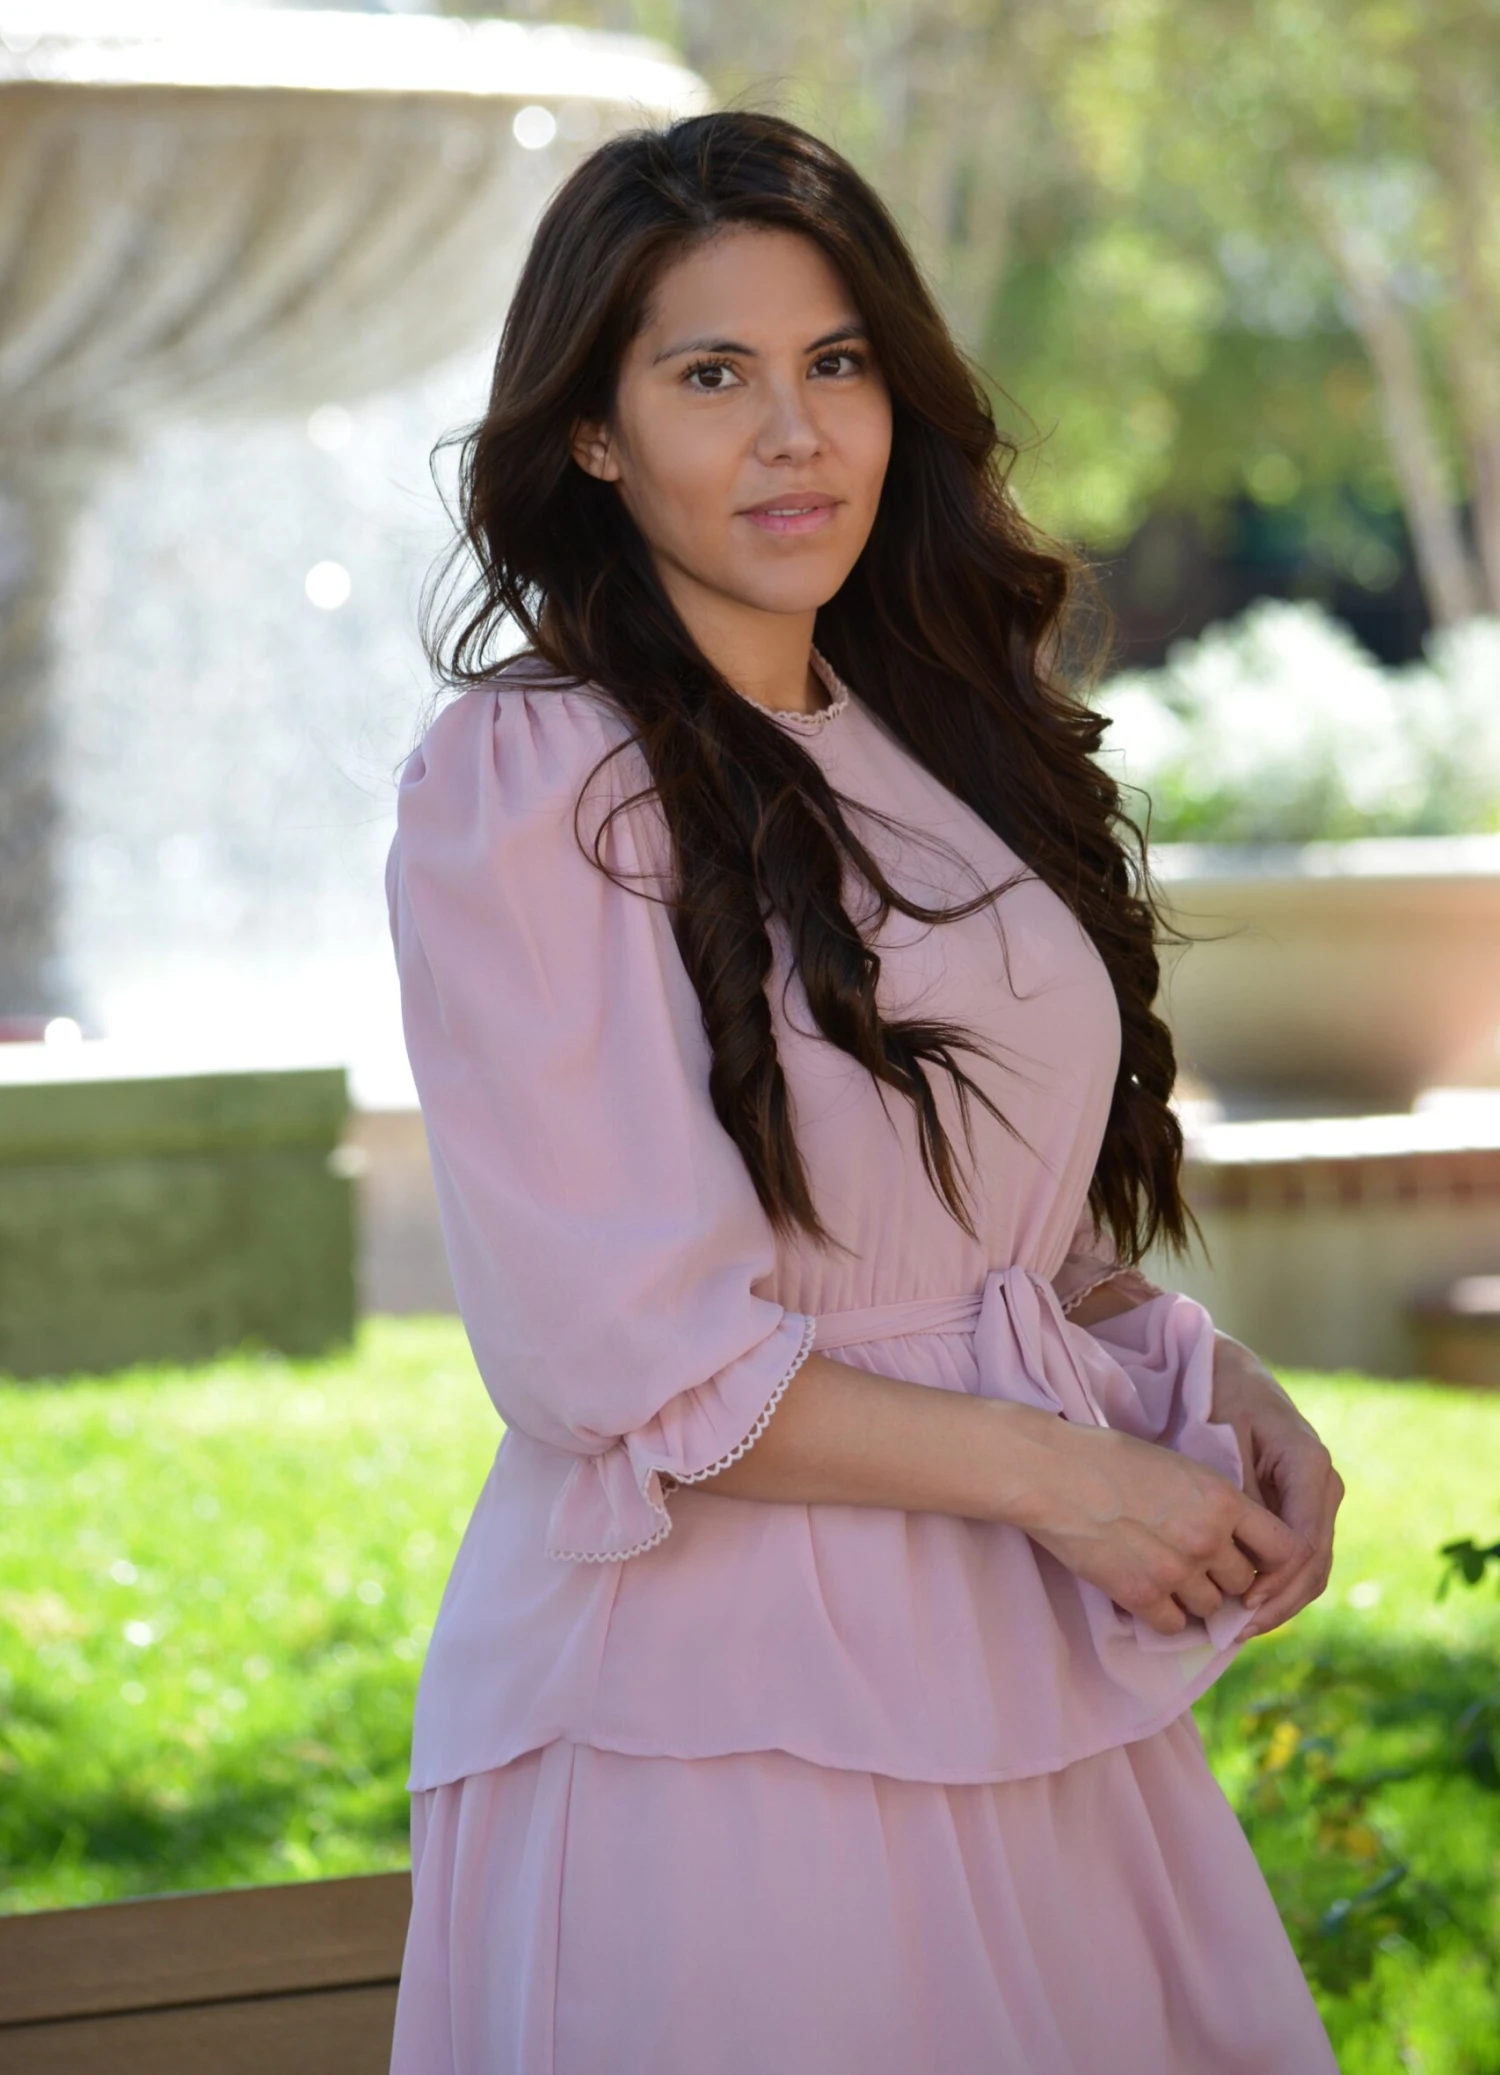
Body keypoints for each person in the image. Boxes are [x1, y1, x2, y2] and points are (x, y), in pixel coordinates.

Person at [385, 110, 1342, 2075]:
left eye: (834, 362)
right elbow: (624, 1356)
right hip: (724, 1718)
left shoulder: (926, 737)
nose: (793, 433)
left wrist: (1199, 1378)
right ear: (593, 434)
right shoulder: (536, 775)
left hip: (1032, 1670)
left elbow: (982, 1235)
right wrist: (1079, 1482)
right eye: (709, 375)